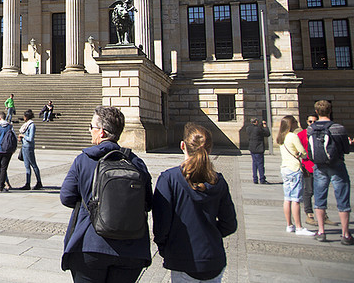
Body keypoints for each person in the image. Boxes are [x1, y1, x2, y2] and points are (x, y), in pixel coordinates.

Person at [60, 105, 152, 282]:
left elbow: (66, 197)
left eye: (91, 127)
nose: (90, 131)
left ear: (101, 132)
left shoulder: (84, 160)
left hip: (90, 245)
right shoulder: (136, 162)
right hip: (131, 249)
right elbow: (148, 202)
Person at [152, 123, 237, 282]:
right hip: (213, 259)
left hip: (183, 259)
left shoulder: (168, 179)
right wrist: (209, 233)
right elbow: (230, 224)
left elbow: (161, 226)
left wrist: (166, 247)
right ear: (210, 150)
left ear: (182, 145)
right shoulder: (219, 182)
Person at [308, 100, 352, 244]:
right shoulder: (338, 128)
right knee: (342, 199)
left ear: (316, 112)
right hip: (337, 165)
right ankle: (345, 234)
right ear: (330, 110)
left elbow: (310, 151)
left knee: (320, 199)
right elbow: (346, 149)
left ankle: (321, 231)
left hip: (319, 166)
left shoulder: (311, 129)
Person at [276, 115, 315, 236]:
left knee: (287, 198)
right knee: (296, 200)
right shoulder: (292, 136)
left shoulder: (281, 137)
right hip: (294, 168)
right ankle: (299, 227)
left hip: (285, 168)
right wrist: (301, 155)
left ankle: (289, 225)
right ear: (291, 124)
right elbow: (303, 152)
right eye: (295, 122)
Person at [297, 114, 320, 225]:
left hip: (320, 166)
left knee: (320, 191)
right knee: (309, 190)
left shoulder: (321, 133)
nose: (312, 124)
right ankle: (309, 214)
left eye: (315, 121)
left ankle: (323, 215)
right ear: (307, 122)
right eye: (310, 122)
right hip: (307, 167)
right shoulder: (302, 134)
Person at [19, 109, 43, 190]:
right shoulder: (26, 125)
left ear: (26, 117)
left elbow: (30, 138)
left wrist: (23, 136)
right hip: (24, 147)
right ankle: (27, 183)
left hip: (29, 147)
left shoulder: (31, 125)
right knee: (27, 166)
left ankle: (39, 182)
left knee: (33, 164)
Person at [245, 117, 270, 184]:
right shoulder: (258, 129)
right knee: (260, 164)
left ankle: (255, 179)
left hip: (252, 148)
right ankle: (262, 179)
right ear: (256, 122)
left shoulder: (248, 128)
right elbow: (267, 134)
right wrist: (265, 126)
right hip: (259, 148)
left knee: (254, 163)